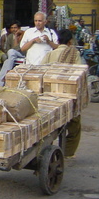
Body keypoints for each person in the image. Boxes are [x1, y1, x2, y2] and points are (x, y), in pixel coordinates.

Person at [40, 28, 85, 157]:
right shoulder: (74, 53)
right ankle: (68, 153)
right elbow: (79, 73)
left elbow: (41, 71)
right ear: (70, 41)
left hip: (49, 97)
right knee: (74, 125)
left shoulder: (50, 54)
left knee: (48, 126)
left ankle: (45, 149)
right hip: (68, 96)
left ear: (58, 40)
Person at [0, 21, 25, 86]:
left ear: (19, 28)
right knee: (7, 60)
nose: (14, 29)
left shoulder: (24, 35)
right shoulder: (10, 36)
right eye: (12, 28)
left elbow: (19, 49)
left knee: (11, 53)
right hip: (12, 56)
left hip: (22, 55)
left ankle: (3, 78)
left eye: (15, 27)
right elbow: (7, 49)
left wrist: (16, 39)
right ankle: (0, 81)